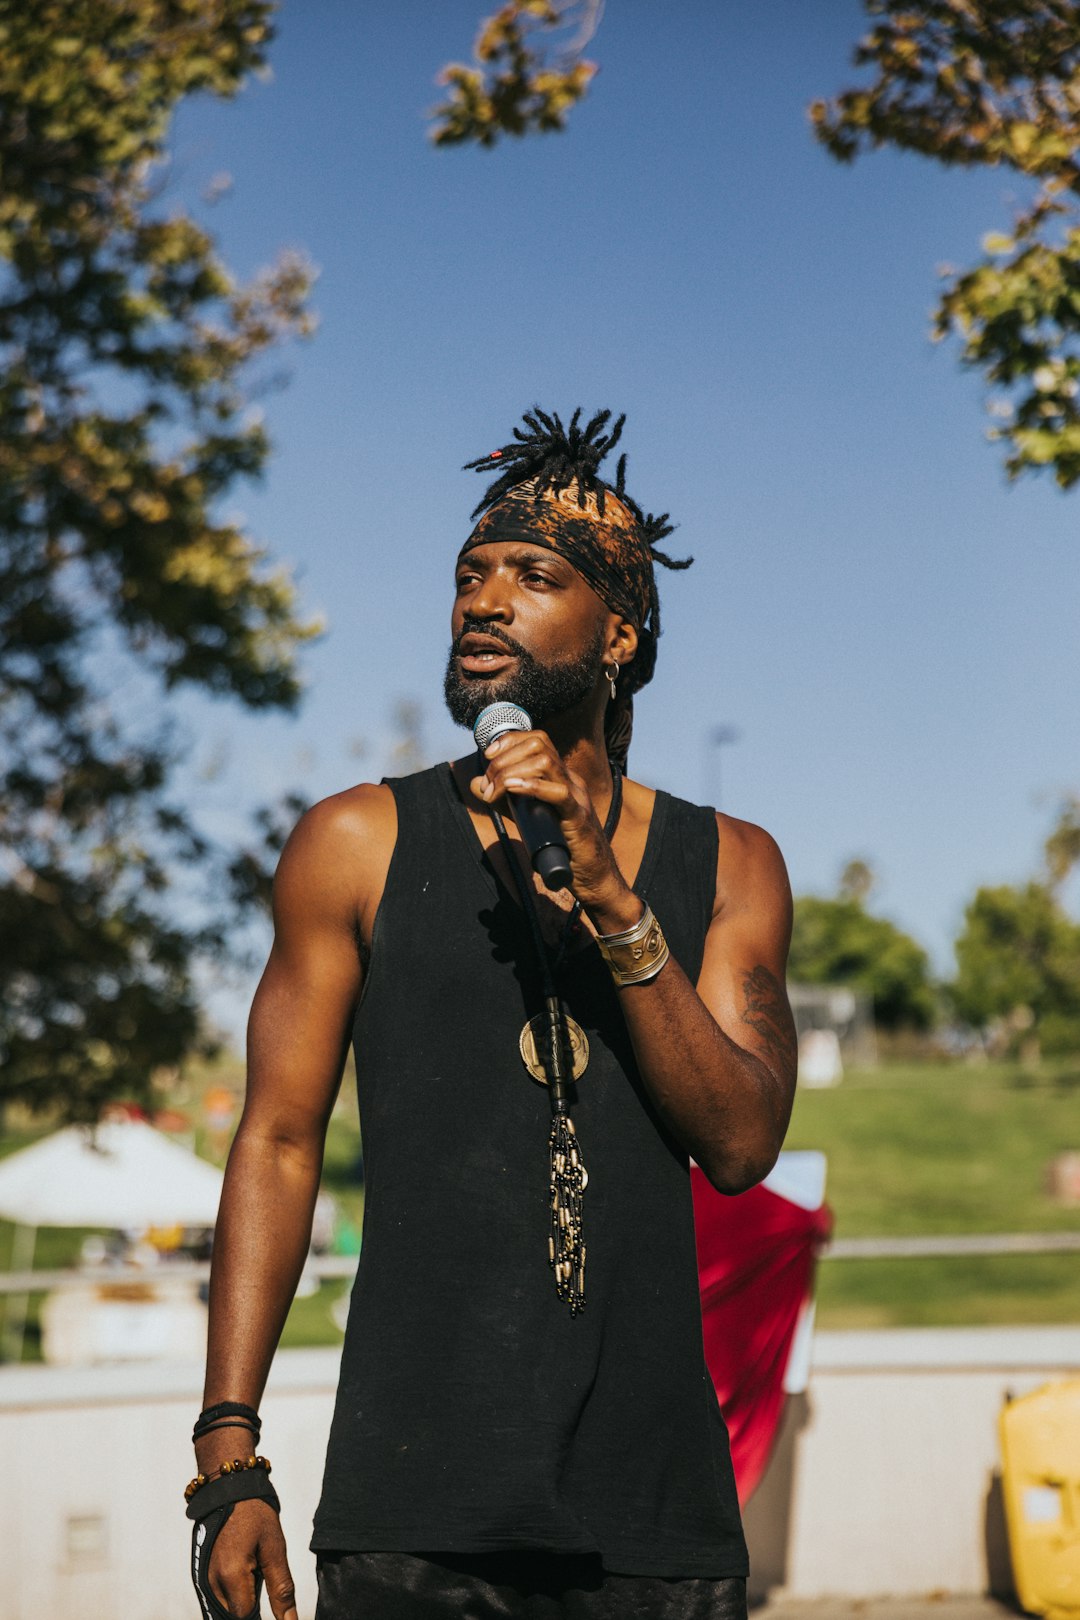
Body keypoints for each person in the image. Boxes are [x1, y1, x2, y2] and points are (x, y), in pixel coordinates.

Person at [186, 408, 798, 1620]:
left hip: (655, 1515)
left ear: (617, 633)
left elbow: (740, 1143)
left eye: (534, 575)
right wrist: (229, 1460)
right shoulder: (354, 844)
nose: (484, 599)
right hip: (414, 1509)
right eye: (470, 574)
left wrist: (616, 905)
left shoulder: (730, 863)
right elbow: (277, 1140)